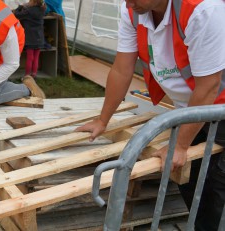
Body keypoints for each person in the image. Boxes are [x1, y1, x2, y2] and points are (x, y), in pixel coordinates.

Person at [75, 0, 225, 230]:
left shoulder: (201, 10)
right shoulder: (135, 11)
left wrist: (181, 145)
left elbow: (209, 86)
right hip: (191, 108)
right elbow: (121, 69)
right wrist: (102, 120)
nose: (127, 2)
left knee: (215, 183)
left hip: (219, 106)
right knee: (191, 181)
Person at [14, 0, 46, 78]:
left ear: (32, 2)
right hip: (39, 38)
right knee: (36, 57)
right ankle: (34, 74)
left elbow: (16, 15)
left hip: (30, 38)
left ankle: (27, 75)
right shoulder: (42, 10)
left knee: (30, 57)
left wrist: (20, 7)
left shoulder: (28, 11)